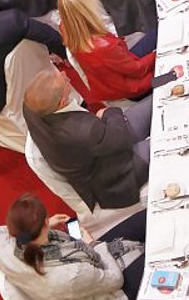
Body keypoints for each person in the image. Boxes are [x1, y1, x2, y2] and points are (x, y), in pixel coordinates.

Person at [0, 193, 143, 300]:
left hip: (85, 277)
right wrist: (93, 245)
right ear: (44, 225)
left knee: (145, 220)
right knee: (155, 259)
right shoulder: (71, 275)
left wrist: (39, 228)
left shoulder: (4, 251)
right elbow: (115, 280)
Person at [21, 70, 148, 215]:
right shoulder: (81, 131)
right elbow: (121, 140)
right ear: (62, 102)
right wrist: (109, 112)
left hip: (104, 142)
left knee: (154, 103)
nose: (64, 73)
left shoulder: (33, 107)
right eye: (64, 80)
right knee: (165, 147)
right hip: (116, 174)